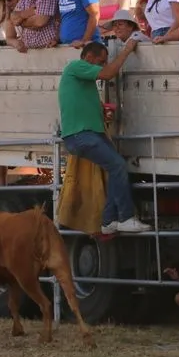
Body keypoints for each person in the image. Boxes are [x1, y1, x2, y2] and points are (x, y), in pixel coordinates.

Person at [58, 41, 151, 235]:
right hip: (81, 135)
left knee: (115, 169)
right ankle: (125, 217)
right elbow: (109, 74)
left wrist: (102, 113)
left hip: (87, 134)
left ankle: (109, 221)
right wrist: (127, 50)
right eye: (101, 61)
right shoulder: (76, 66)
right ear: (89, 57)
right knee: (117, 165)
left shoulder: (84, 80)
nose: (102, 65)